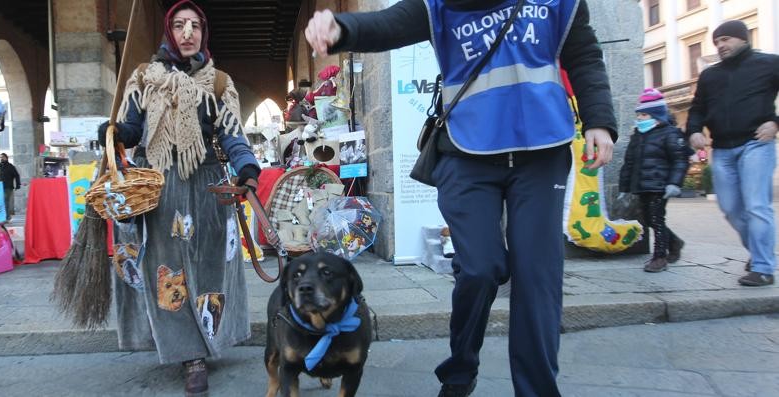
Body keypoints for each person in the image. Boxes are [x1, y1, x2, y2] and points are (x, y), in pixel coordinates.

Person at [305, 1, 617, 395]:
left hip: (541, 150)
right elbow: (390, 23)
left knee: (538, 278)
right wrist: (341, 28)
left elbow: (585, 55)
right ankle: (460, 369)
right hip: (468, 153)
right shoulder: (439, 6)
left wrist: (600, 120)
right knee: (480, 268)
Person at [98, 1, 260, 395]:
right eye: (179, 25)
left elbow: (232, 136)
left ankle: (205, 344)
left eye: (195, 27)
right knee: (164, 270)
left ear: (204, 33)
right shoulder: (144, 78)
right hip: (158, 186)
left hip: (206, 185)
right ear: (169, 33)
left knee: (207, 269)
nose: (188, 33)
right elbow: (133, 132)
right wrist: (117, 131)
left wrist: (248, 169)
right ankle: (190, 356)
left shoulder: (219, 84)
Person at [686, 20, 778, 287]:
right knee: (731, 210)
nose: (721, 45)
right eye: (716, 41)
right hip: (722, 149)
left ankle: (762, 268)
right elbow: (697, 107)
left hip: (756, 145)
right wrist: (693, 130)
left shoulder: (770, 64)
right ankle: (761, 254)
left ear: (744, 38)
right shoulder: (709, 75)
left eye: (726, 39)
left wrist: (776, 123)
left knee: (756, 206)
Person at [618, 88, 688, 272]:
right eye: (639, 114)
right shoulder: (638, 136)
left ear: (656, 116)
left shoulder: (670, 134)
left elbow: (679, 160)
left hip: (659, 185)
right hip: (641, 185)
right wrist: (624, 187)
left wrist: (674, 183)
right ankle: (675, 242)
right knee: (649, 219)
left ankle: (660, 257)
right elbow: (629, 162)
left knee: (656, 219)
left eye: (644, 114)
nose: (640, 118)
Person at [0, 153, 20, 222]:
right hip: (1, 187)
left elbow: (16, 175)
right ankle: (5, 217)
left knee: (6, 202)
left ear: (6, 158)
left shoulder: (10, 166)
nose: (1, 158)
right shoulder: (1, 166)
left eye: (3, 157)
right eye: (0, 157)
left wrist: (17, 185)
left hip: (8, 187)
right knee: (4, 202)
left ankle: (7, 217)